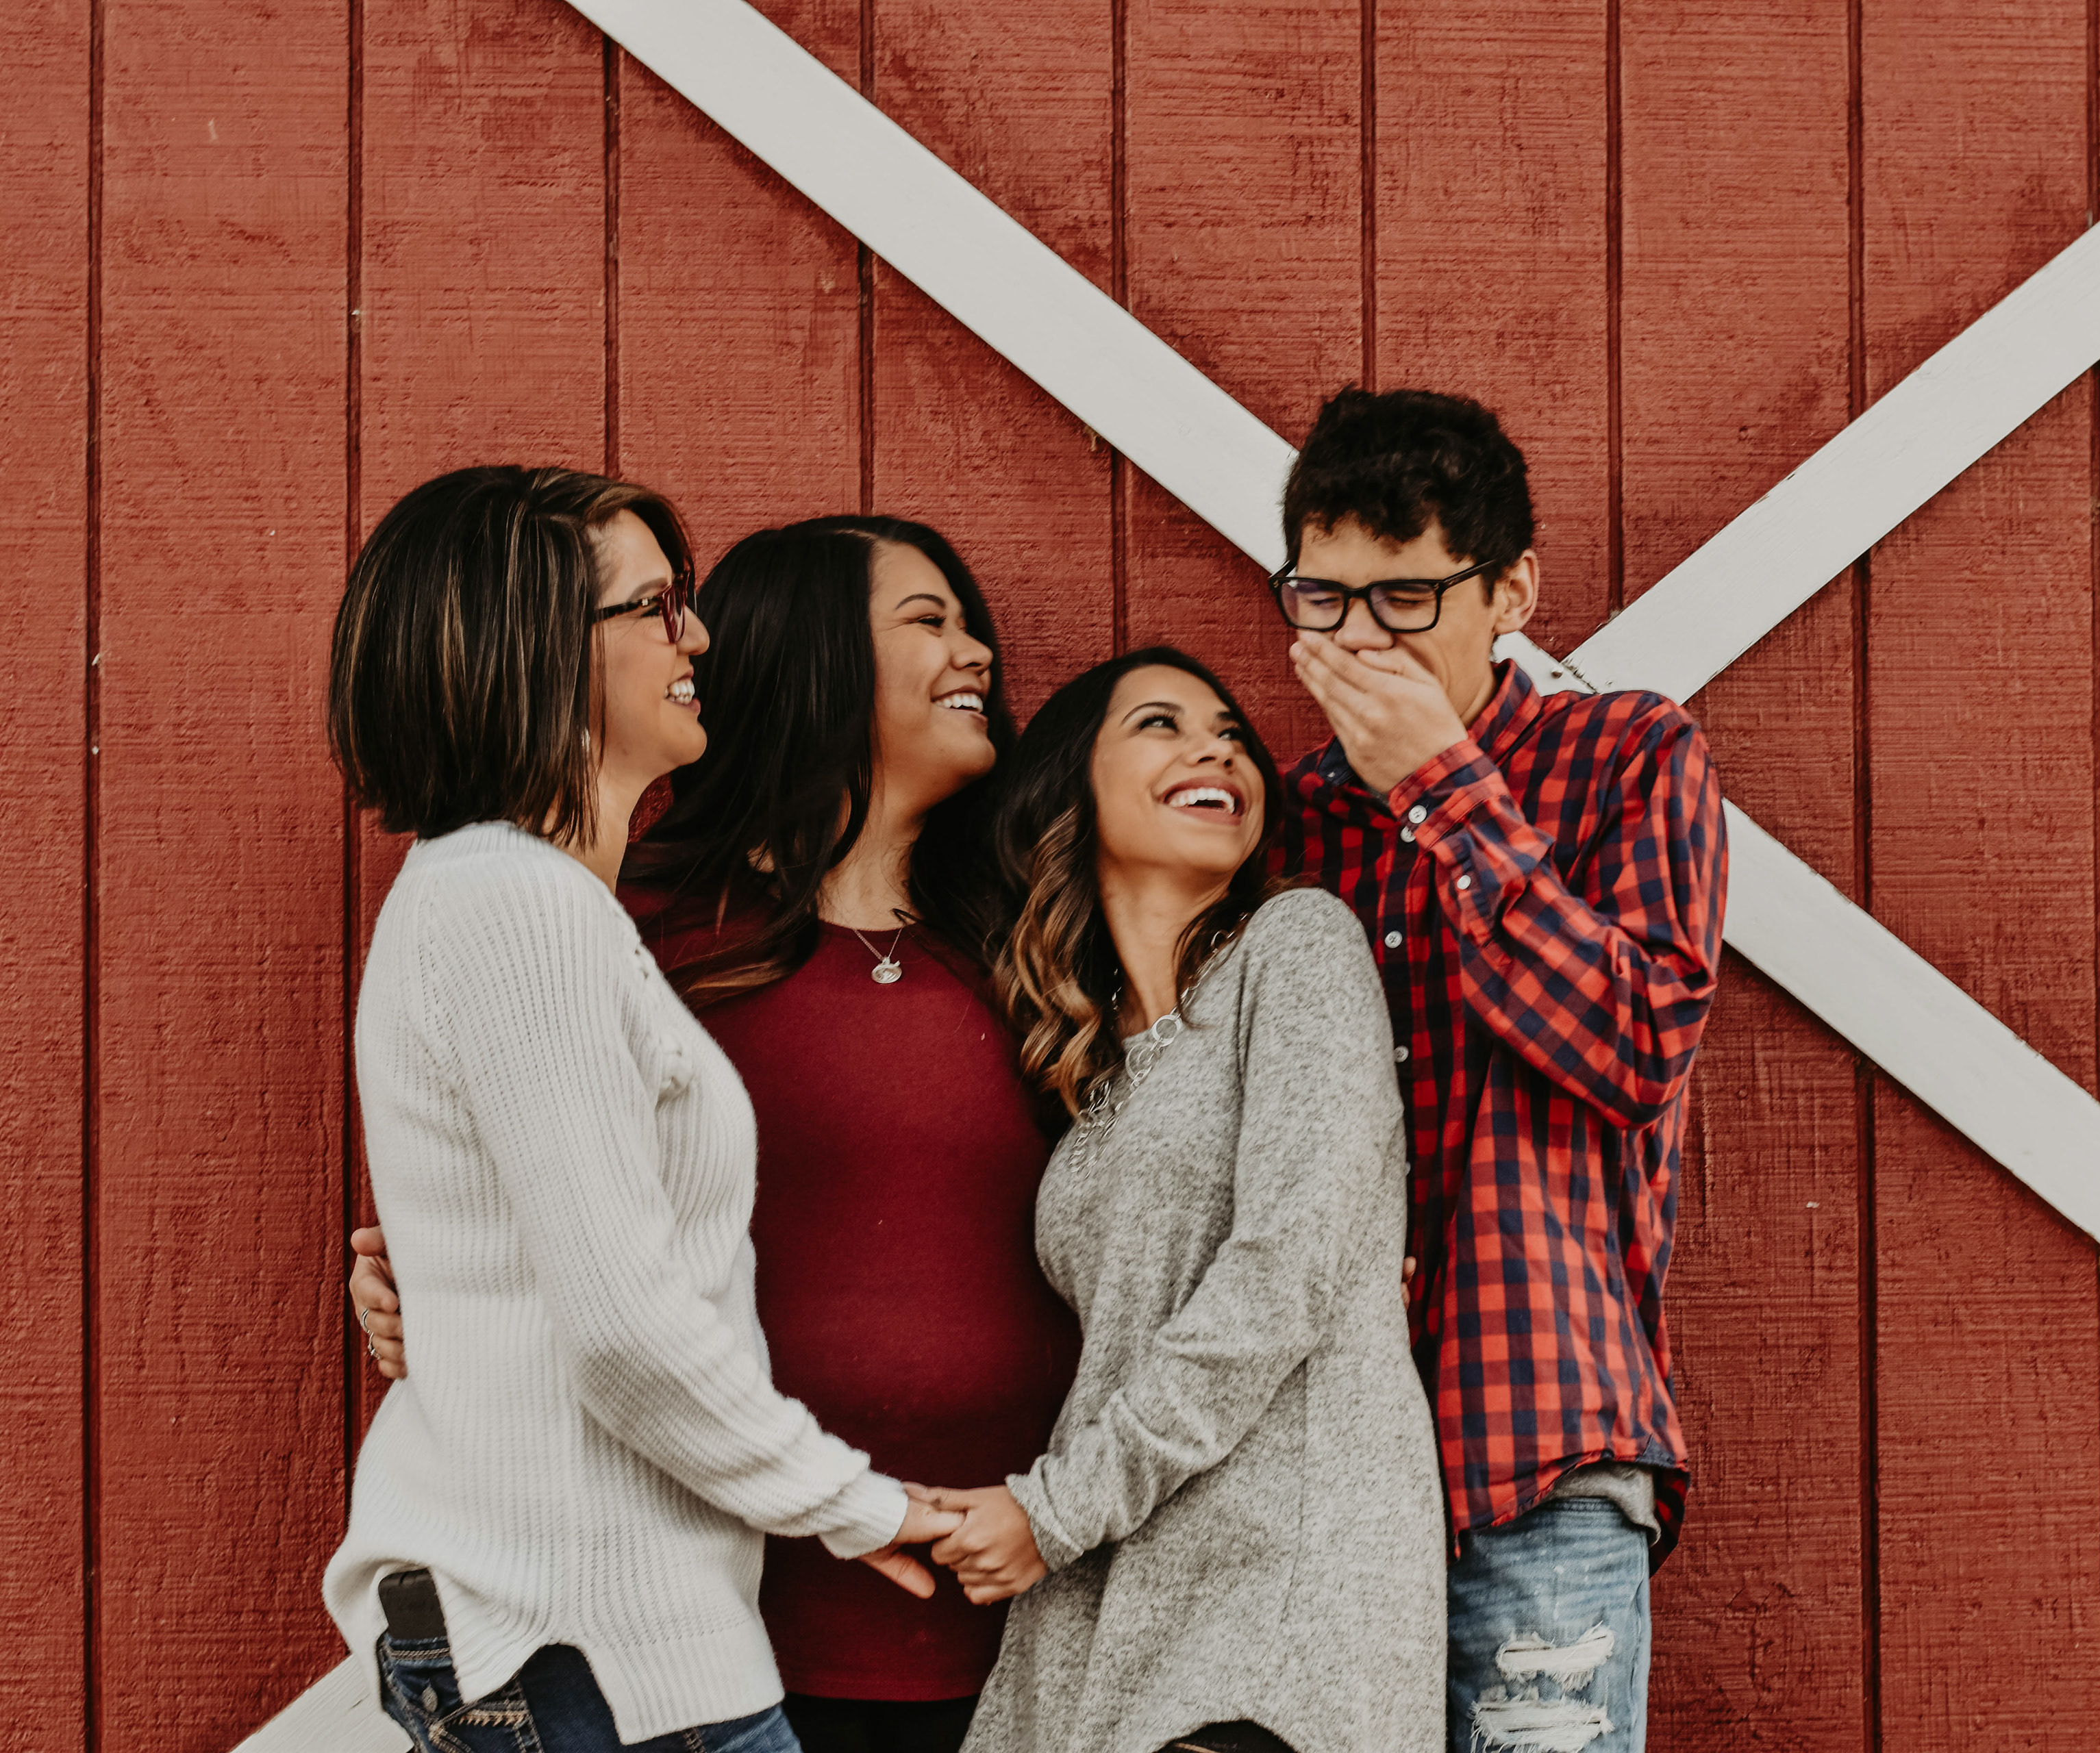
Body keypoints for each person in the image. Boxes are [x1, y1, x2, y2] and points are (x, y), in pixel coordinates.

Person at [351, 514, 1079, 1753]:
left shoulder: (1039, 942)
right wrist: (436, 1296)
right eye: (928, 620)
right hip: (716, 1599)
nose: (978, 654)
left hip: (1003, 1583)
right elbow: (532, 1230)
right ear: (818, 658)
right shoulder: (610, 918)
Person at [1267, 388, 1729, 1753]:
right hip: (1317, 1488)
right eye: (1322, 598)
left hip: (1533, 1446)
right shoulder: (1289, 823)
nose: (1357, 639)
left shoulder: (1628, 757)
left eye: (1404, 598)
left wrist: (1440, 786)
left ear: (1509, 592)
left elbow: (1635, 1045)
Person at [923, 648, 1444, 1753]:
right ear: (1071, 787)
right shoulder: (1092, 1071)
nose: (1216, 749)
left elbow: (1283, 1271)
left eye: (1230, 734)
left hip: (1277, 1589)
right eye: (1161, 724)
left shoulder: (1297, 946)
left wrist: (1055, 1508)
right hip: (1116, 1580)